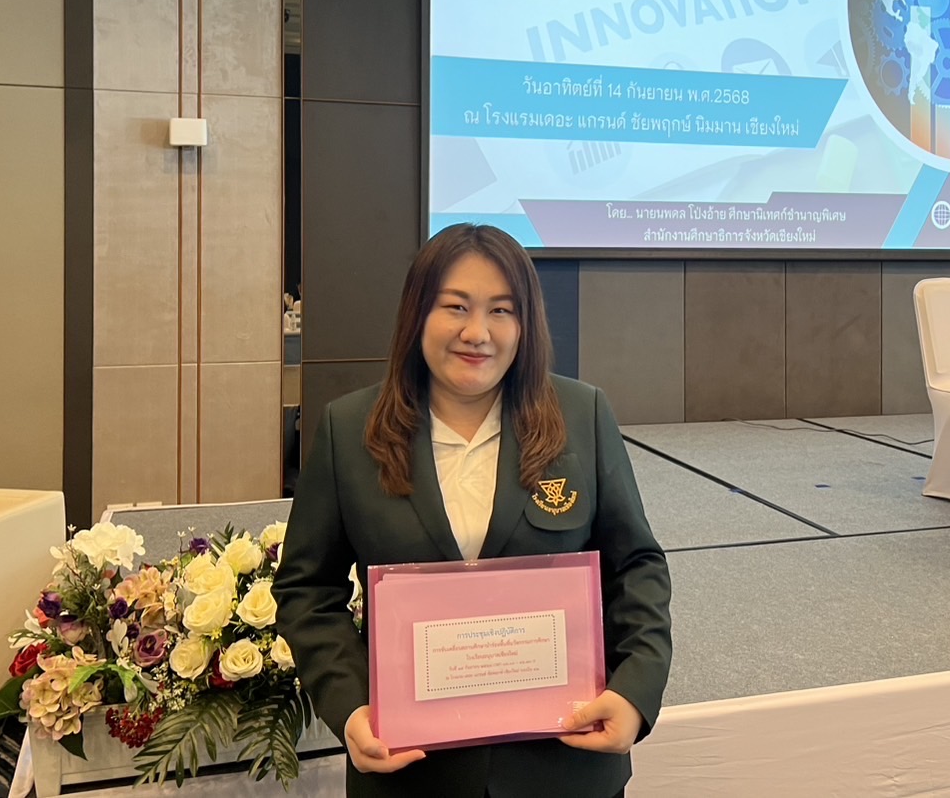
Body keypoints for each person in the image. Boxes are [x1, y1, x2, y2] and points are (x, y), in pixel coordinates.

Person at [273, 224, 672, 798]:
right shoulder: (349, 430)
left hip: (563, 768)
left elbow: (637, 566)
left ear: (525, 324)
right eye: (455, 306)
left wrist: (635, 690)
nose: (477, 332)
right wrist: (352, 707)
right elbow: (307, 590)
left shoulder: (581, 414)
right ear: (418, 313)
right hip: (412, 774)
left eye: (501, 311)